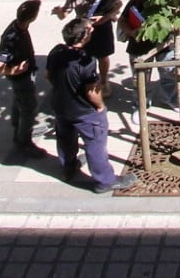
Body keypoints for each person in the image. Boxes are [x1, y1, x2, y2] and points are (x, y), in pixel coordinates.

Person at [45, 17, 135, 193]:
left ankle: (68, 167)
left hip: (61, 107)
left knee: (65, 140)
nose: (92, 30)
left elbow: (48, 76)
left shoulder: (56, 52)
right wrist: (100, 107)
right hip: (84, 112)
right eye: (89, 30)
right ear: (83, 37)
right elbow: (91, 91)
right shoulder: (86, 61)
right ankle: (105, 181)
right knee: (95, 145)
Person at [0, 0, 46, 157]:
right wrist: (15, 70)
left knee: (19, 102)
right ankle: (24, 142)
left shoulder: (19, 25)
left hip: (26, 75)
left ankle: (18, 129)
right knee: (28, 108)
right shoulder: (12, 37)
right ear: (33, 17)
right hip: (21, 78)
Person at [61, 0, 122, 97]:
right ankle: (88, 80)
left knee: (103, 56)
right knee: (84, 56)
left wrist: (105, 17)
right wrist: (60, 12)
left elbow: (118, 5)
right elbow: (65, 12)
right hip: (83, 28)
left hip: (102, 28)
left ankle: (104, 80)